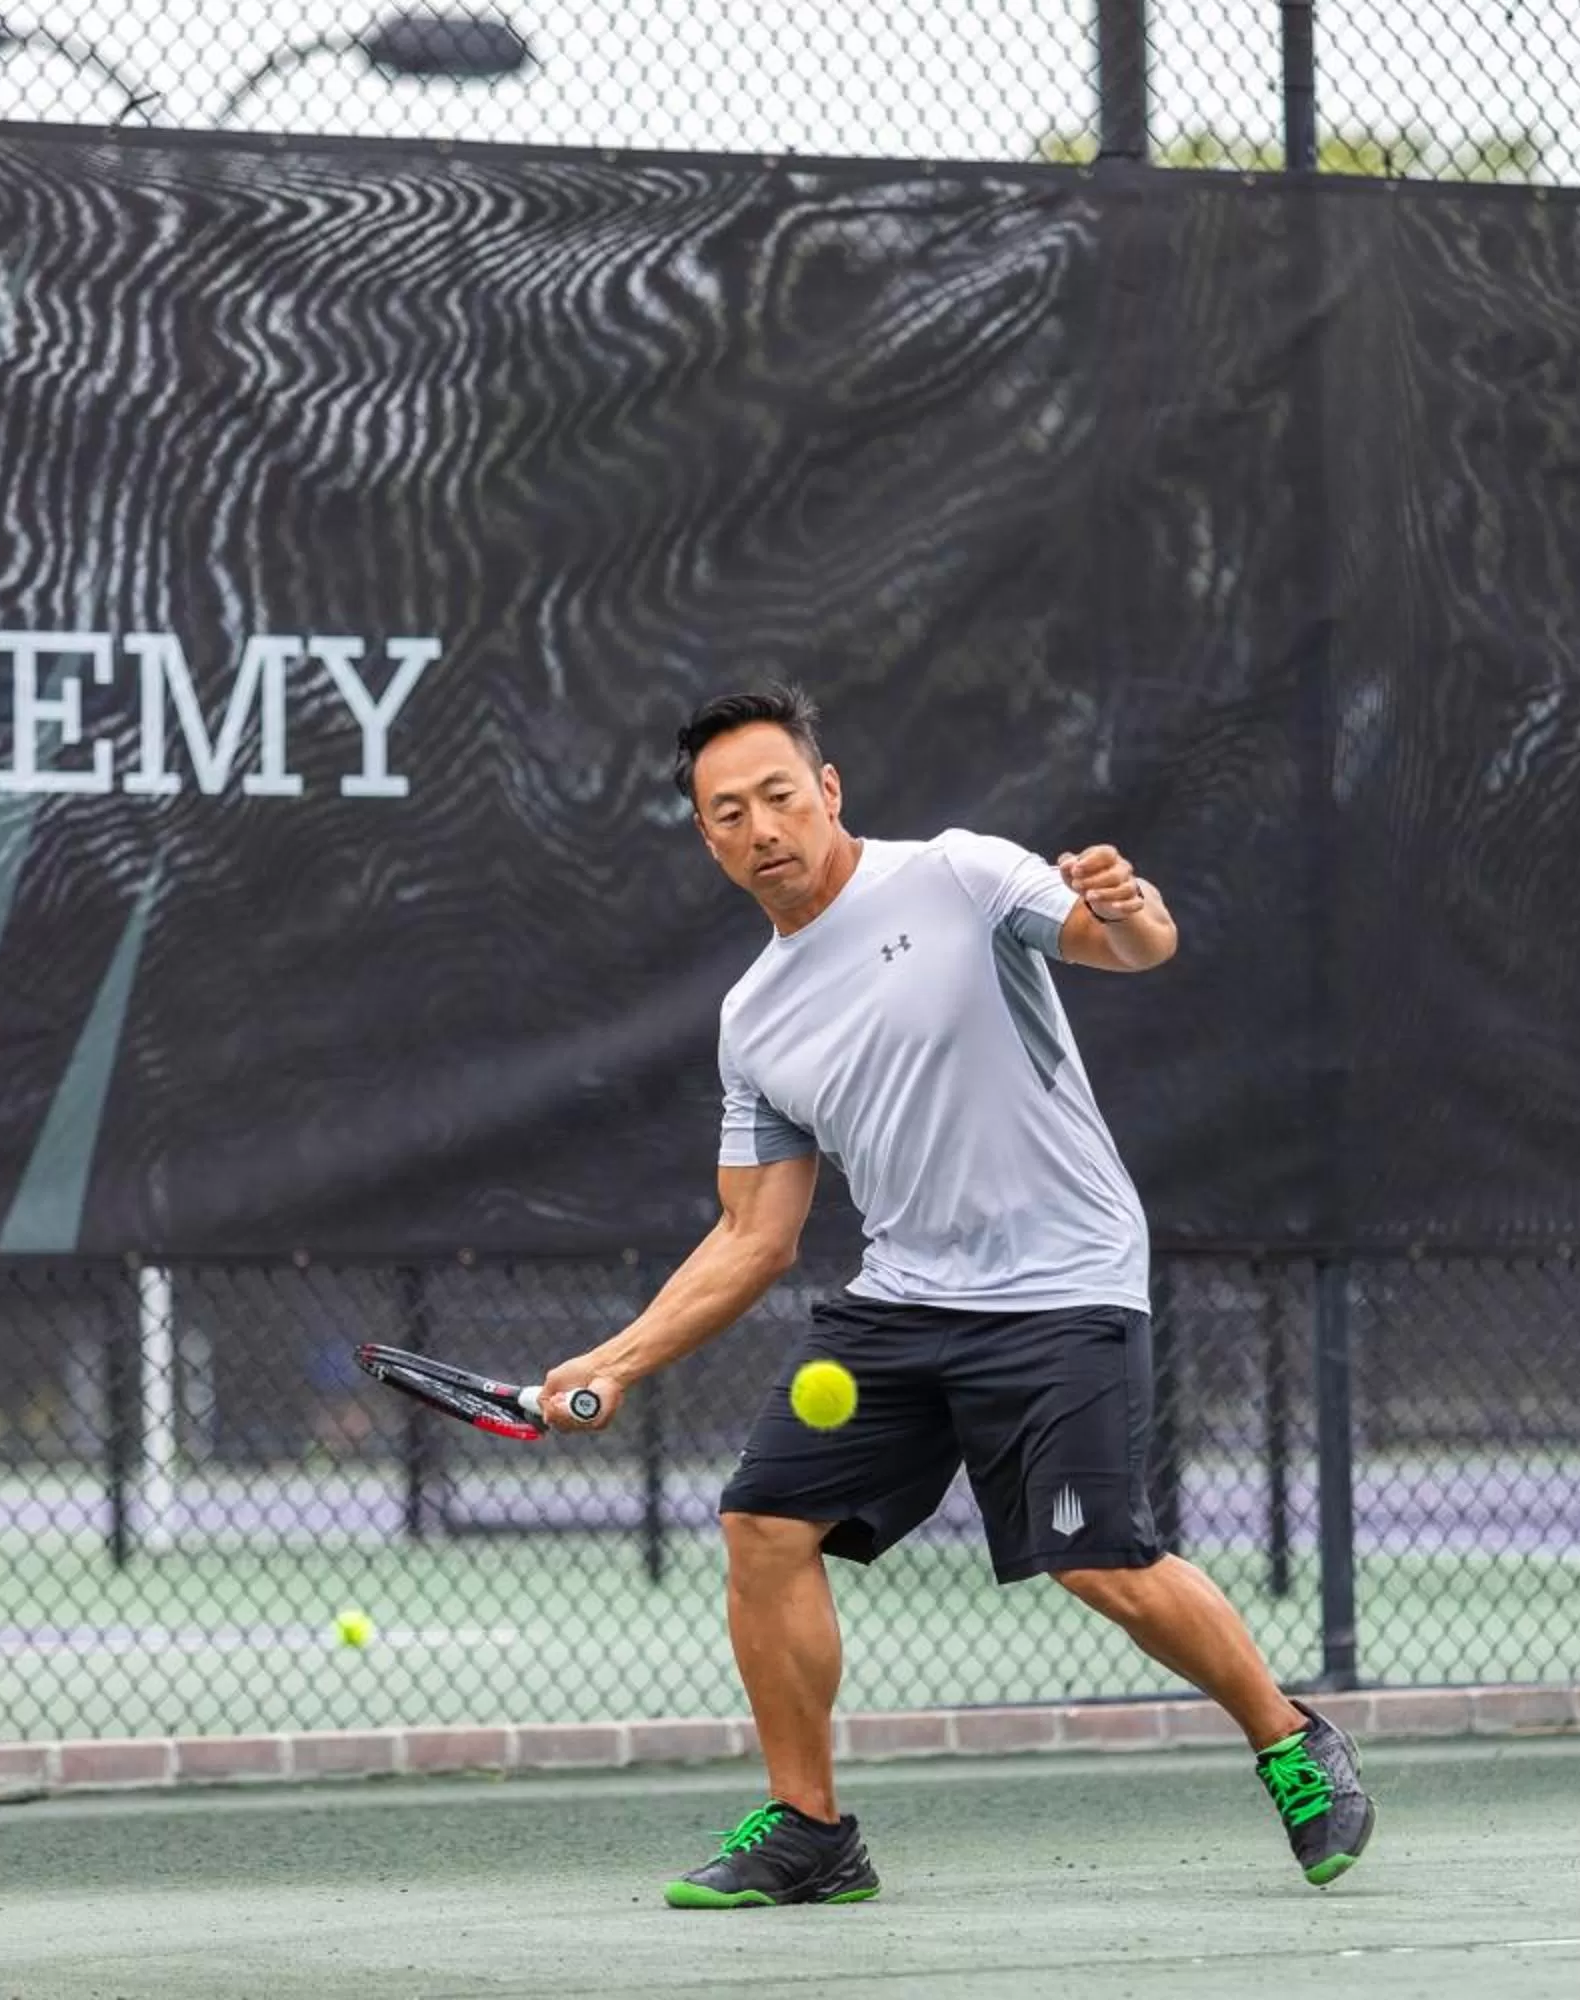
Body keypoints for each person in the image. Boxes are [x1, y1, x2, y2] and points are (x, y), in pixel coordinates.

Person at [541, 686, 1375, 1909]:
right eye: (730, 811)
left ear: (828, 791)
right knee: (764, 1525)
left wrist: (1133, 912)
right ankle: (811, 1829)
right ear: (710, 842)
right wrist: (613, 1358)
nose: (762, 823)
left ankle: (1289, 1736)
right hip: (905, 1299)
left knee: (1101, 1563)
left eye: (780, 793)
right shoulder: (751, 1016)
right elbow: (752, 1233)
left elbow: (1129, 948)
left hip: (1066, 1280)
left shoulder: (959, 875)